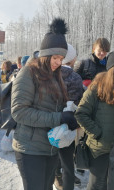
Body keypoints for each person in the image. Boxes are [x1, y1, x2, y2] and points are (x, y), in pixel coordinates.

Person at [11, 18, 78, 190]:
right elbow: (19, 112)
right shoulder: (29, 73)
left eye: (61, 58)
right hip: (30, 149)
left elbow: (54, 107)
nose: (58, 62)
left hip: (51, 147)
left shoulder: (56, 76)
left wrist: (70, 114)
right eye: (55, 57)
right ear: (45, 55)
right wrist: (59, 117)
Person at [75, 49, 114, 190]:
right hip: (100, 149)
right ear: (110, 68)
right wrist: (98, 133)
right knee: (98, 185)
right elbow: (80, 114)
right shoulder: (97, 88)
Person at [54, 44, 83, 190]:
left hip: (50, 122)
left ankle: (54, 178)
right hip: (68, 125)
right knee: (68, 164)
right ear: (72, 59)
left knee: (51, 159)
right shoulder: (75, 77)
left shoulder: (50, 75)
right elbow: (80, 102)